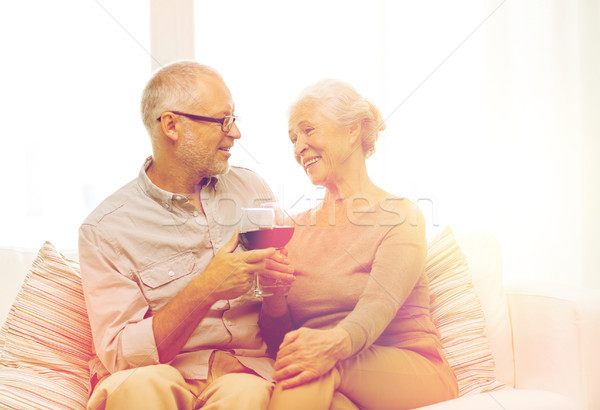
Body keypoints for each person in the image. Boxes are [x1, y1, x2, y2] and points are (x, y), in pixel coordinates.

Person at [78, 61, 295, 409]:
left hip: (242, 374)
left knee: (246, 392)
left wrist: (277, 293)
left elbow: (279, 325)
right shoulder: (105, 230)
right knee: (142, 386)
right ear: (171, 125)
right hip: (159, 373)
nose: (235, 133)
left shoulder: (252, 190)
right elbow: (120, 354)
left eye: (234, 119)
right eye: (222, 120)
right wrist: (207, 287)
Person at [259, 79, 458, 410]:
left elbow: (377, 305)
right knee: (320, 385)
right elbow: (284, 347)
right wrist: (273, 298)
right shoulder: (292, 229)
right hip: (330, 377)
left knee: (316, 368)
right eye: (293, 138)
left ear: (352, 130)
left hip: (410, 369)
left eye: (308, 131)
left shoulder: (400, 215)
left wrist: (332, 345)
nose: (298, 147)